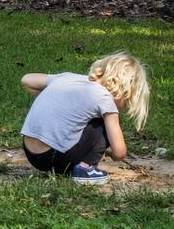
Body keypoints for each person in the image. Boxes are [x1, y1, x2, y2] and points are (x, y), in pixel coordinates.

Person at [21, 52, 150, 185]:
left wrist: (54, 100)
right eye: (127, 101)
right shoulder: (104, 99)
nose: (123, 107)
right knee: (104, 123)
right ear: (124, 90)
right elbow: (120, 152)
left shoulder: (67, 78)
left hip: (31, 153)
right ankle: (84, 169)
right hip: (55, 158)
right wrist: (110, 153)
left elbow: (27, 79)